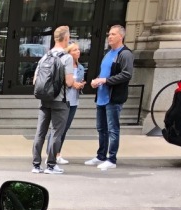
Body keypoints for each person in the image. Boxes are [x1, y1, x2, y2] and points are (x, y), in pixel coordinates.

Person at [86, 24, 133, 171]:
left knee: (113, 129)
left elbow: (126, 74)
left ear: (121, 36)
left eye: (113, 34)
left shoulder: (125, 54)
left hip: (113, 98)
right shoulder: (108, 53)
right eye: (109, 34)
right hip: (102, 96)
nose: (110, 37)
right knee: (101, 128)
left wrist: (105, 81)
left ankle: (111, 158)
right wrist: (97, 80)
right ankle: (101, 155)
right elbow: (104, 73)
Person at [30, 26, 76, 175]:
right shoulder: (67, 58)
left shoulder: (45, 56)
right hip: (60, 100)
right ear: (66, 38)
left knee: (40, 132)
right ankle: (51, 165)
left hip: (44, 100)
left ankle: (36, 165)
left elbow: (35, 80)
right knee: (56, 132)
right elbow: (69, 82)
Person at [56, 43, 86, 165]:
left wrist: (80, 85)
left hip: (74, 101)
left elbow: (78, 82)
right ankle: (54, 153)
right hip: (63, 99)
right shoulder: (63, 66)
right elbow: (62, 81)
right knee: (59, 128)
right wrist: (72, 83)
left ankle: (57, 153)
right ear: (69, 53)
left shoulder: (81, 68)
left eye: (78, 49)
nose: (78, 51)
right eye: (75, 50)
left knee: (65, 128)